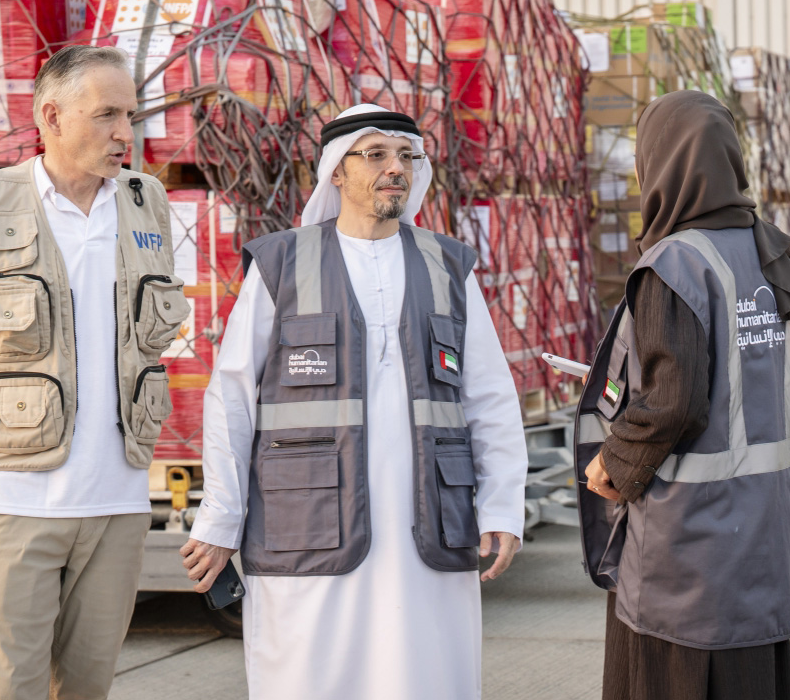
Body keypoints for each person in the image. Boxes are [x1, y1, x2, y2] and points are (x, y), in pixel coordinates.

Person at [180, 103, 529, 700]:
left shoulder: (449, 267)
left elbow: (490, 397)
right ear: (335, 173)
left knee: (426, 679)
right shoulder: (282, 264)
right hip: (308, 524)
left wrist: (501, 507)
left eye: (407, 157)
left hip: (429, 527)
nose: (396, 169)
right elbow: (231, 397)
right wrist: (220, 517)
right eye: (376, 155)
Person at [0, 45, 189, 699]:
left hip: (118, 500)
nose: (125, 132)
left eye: (130, 114)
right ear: (52, 116)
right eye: (106, 115)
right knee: (9, 686)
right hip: (15, 500)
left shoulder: (147, 205)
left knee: (89, 684)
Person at [575, 91, 790, 700]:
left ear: (660, 166)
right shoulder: (778, 256)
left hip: (685, 554)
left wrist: (614, 462)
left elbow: (673, 401)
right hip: (764, 534)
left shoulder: (677, 266)